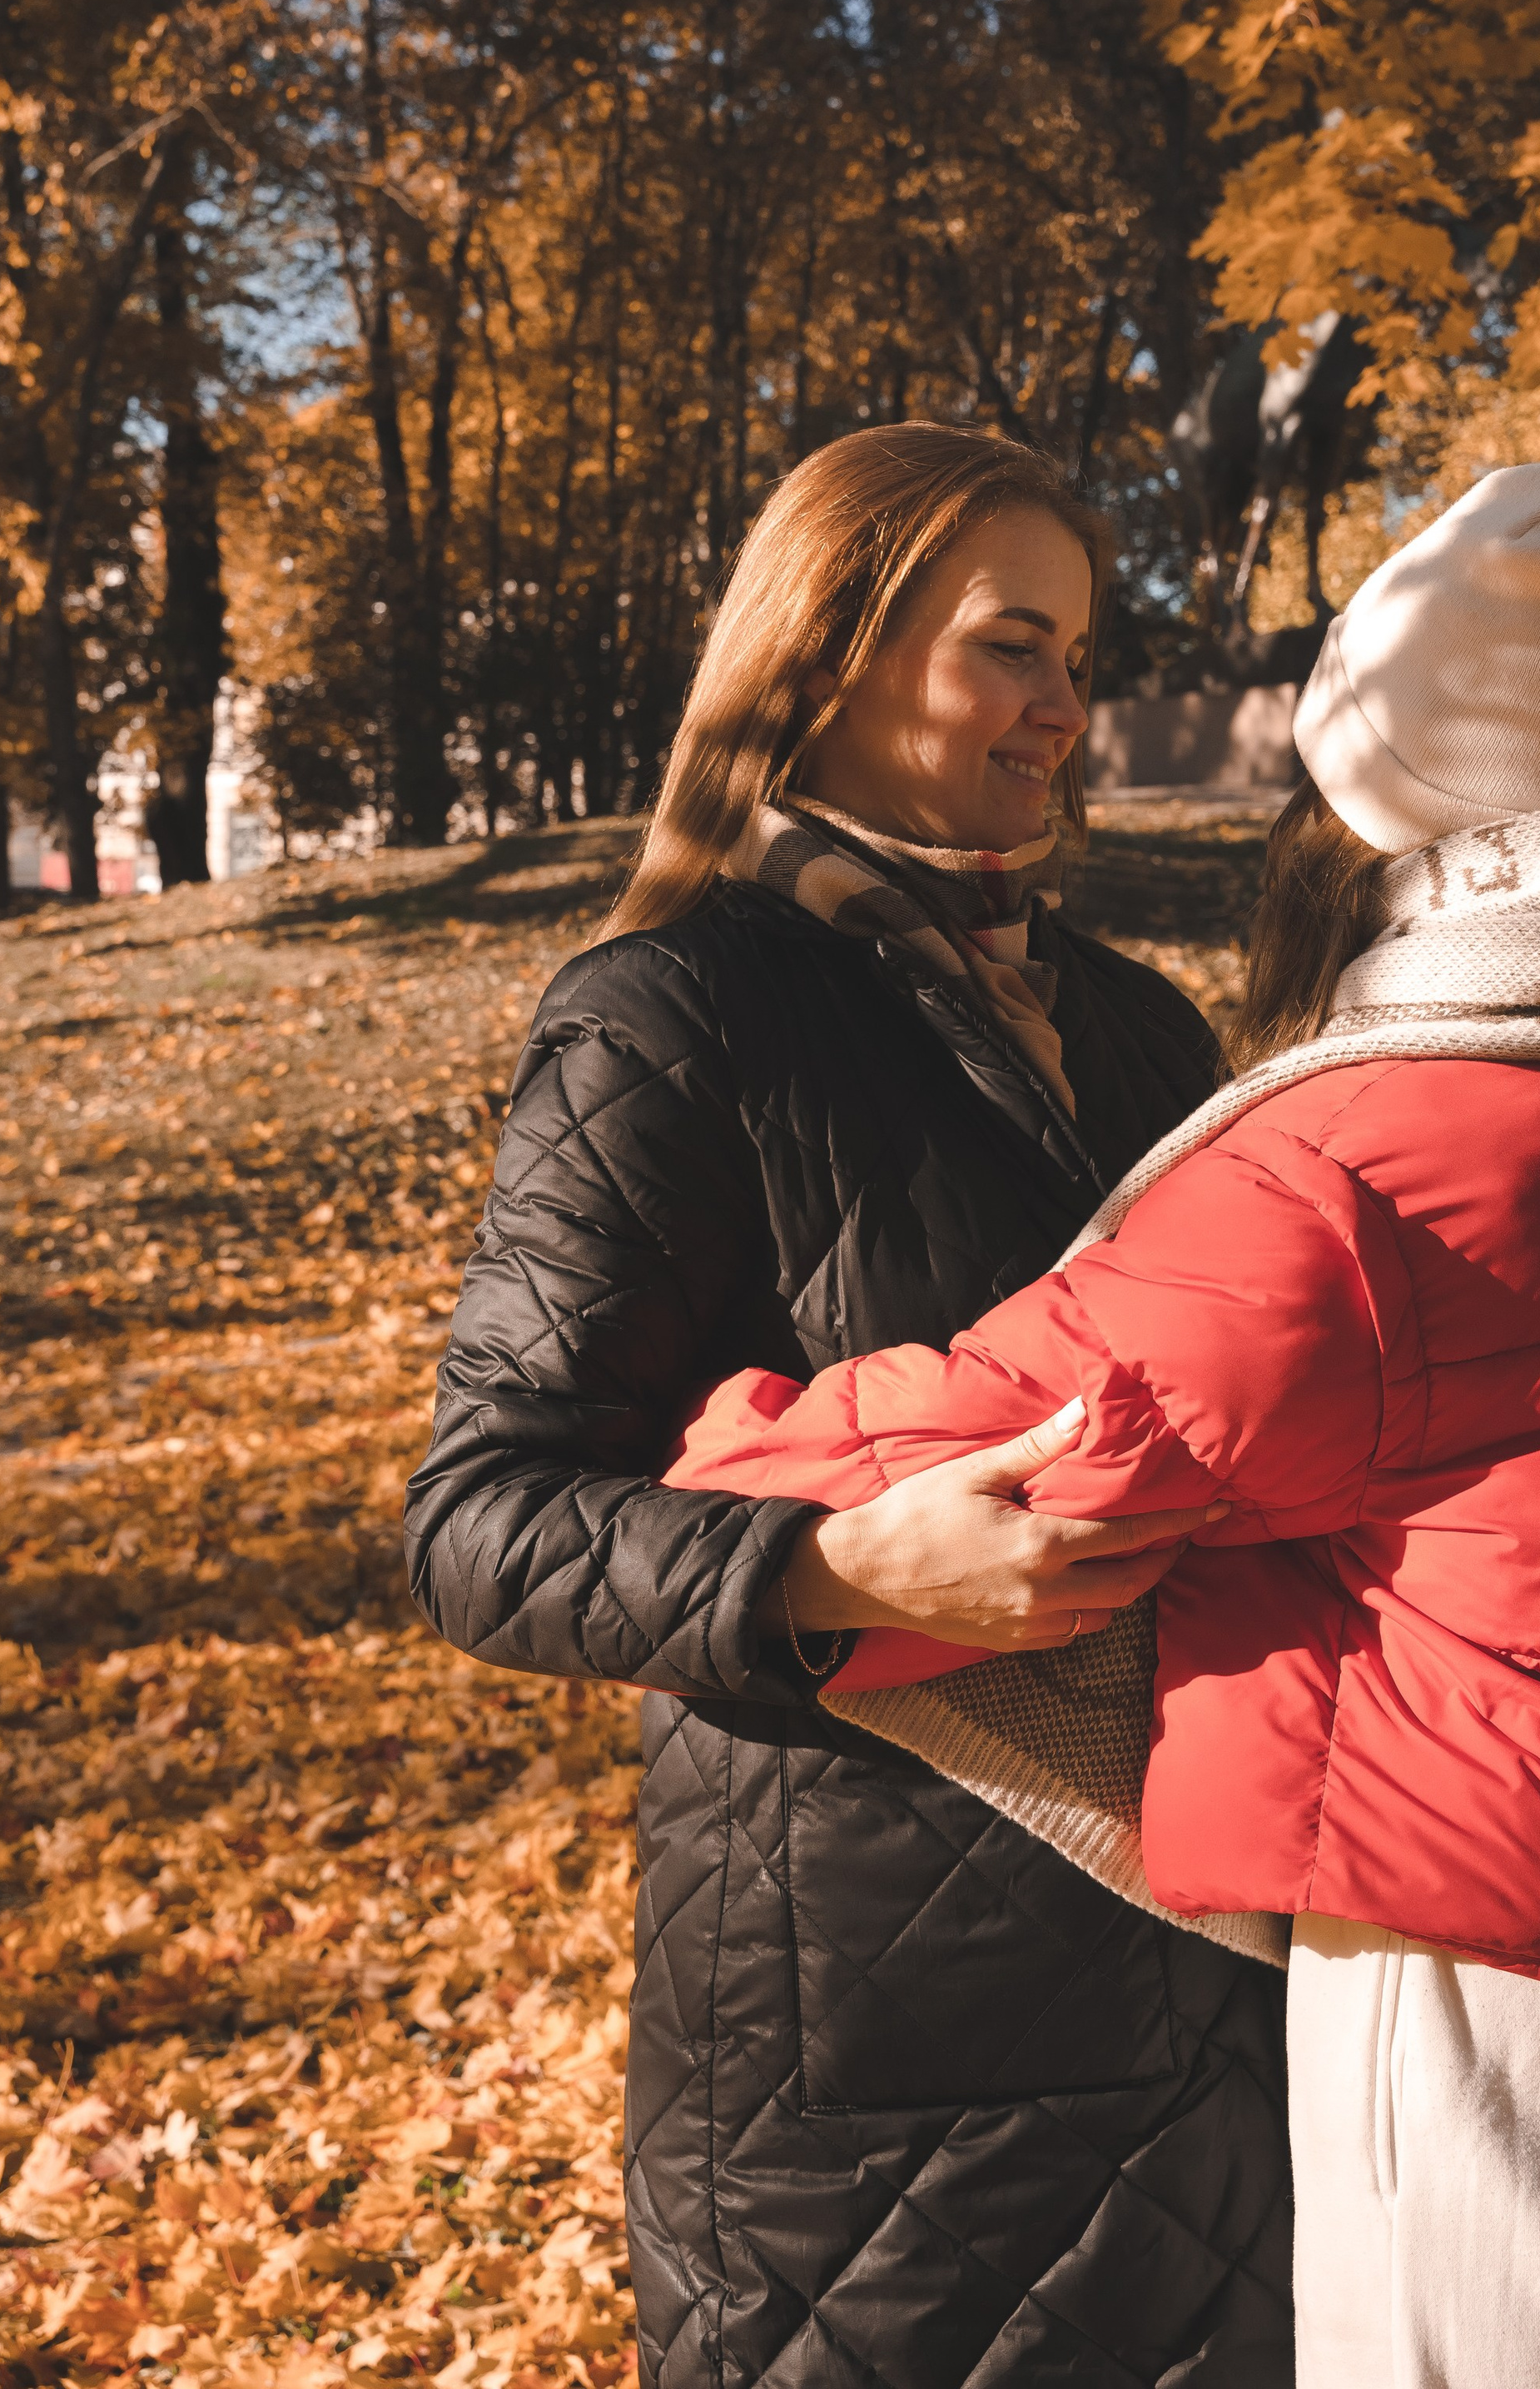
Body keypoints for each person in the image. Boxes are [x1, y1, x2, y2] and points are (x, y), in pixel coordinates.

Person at [665, 456, 1540, 2389]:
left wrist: (718, 1438)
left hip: (1505, 2000)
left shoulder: (1366, 1160)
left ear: (1380, 813)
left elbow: (1026, 1430)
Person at [404, 426, 1295, 2389]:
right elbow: (481, 1518)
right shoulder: (672, 1012)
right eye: (1009, 646)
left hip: (1196, 1977)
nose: (1063, 703)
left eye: (1075, 651)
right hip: (871, 2052)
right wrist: (831, 1562)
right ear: (830, 649)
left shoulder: (1137, 1025)